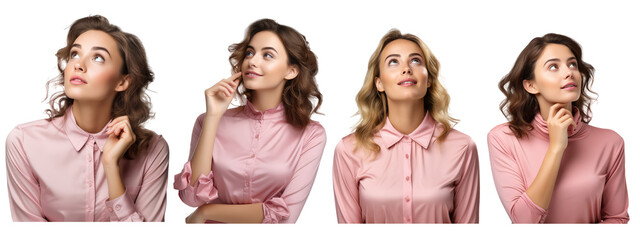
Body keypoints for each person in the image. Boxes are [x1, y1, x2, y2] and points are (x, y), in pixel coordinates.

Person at [6, 15, 169, 222]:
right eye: (74, 54)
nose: (78, 65)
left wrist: (111, 166)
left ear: (122, 82)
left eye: (98, 57)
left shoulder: (153, 151)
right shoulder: (23, 142)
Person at [174, 18, 326, 223]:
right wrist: (213, 117)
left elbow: (285, 216)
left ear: (291, 71)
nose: (252, 61)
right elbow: (191, 197)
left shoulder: (311, 134)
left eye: (268, 55)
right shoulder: (207, 121)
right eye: (250, 52)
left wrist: (206, 213)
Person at [333, 29, 479, 223]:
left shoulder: (462, 147)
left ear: (429, 80)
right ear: (379, 83)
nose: (406, 68)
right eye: (393, 61)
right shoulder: (349, 150)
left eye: (416, 60)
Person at [488, 33, 629, 223]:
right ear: (531, 85)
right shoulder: (504, 138)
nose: (569, 72)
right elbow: (523, 222)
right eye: (553, 66)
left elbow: (617, 219)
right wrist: (555, 148)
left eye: (572, 64)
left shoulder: (610, 142)